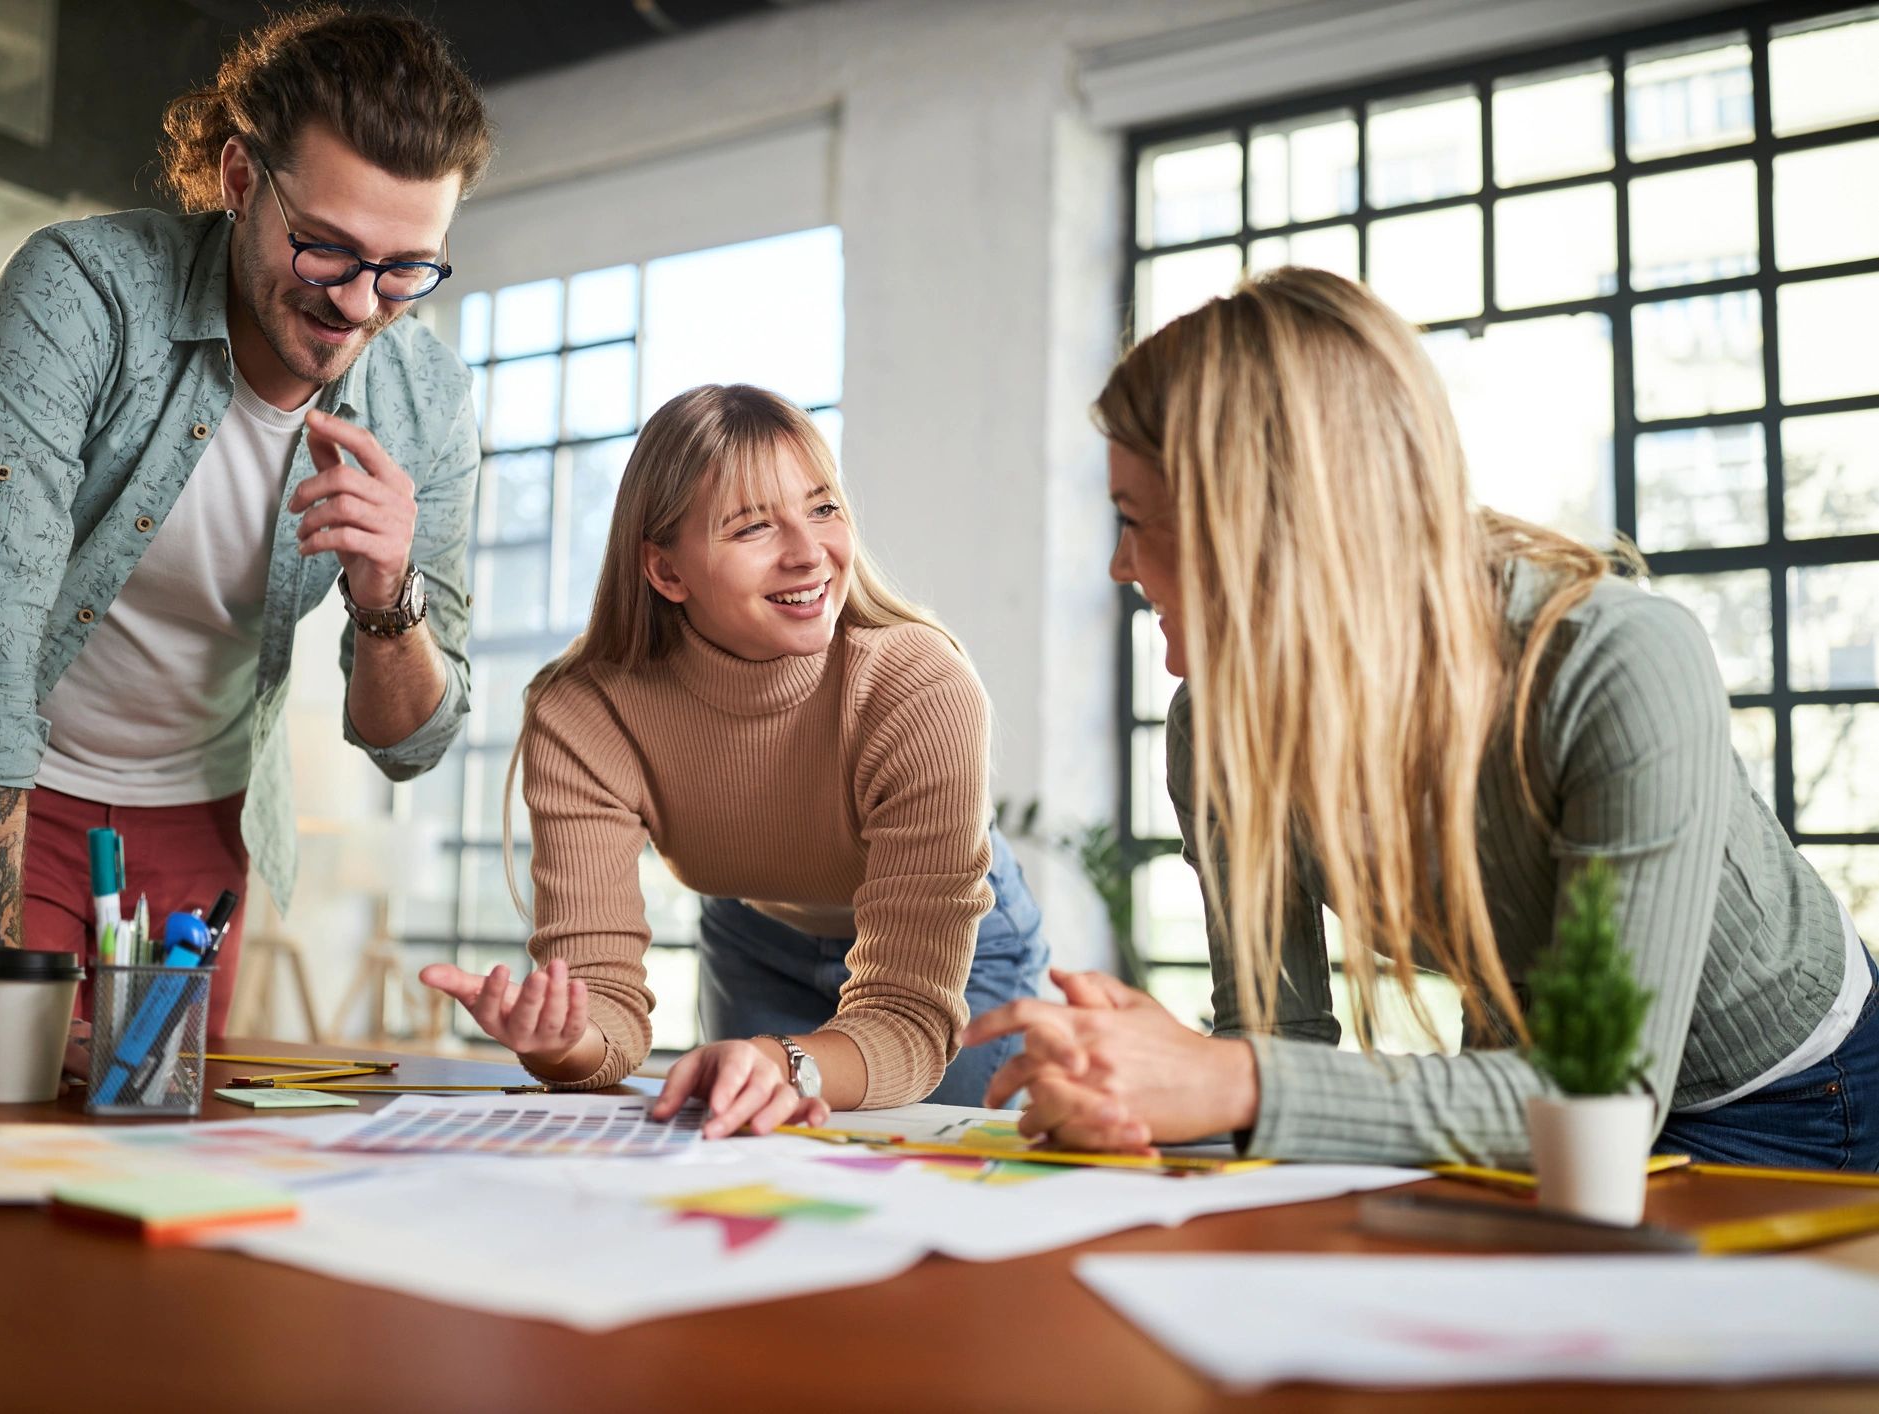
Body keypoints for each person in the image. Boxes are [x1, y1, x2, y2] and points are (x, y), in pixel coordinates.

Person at [965, 267, 1878, 1170]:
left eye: (1133, 520)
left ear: (1256, 523)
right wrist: (1136, 1096)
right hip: (1516, 1091)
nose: (1120, 567)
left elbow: (1599, 1097)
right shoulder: (1211, 726)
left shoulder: (1616, 659)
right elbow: (1272, 1039)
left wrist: (1224, 1080)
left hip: (1781, 1101)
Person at [0, 5, 490, 1057]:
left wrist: (386, 598)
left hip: (203, 825)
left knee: (154, 1129)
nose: (361, 305)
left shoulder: (431, 404)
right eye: (326, 249)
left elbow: (412, 744)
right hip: (3, 795)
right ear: (240, 178)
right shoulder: (81, 297)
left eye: (405, 266)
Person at [419, 384, 1048, 1137]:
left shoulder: (917, 685)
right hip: (756, 935)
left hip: (956, 950)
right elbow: (601, 1006)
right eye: (753, 527)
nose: (808, 553)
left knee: (931, 1165)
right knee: (750, 1155)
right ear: (666, 572)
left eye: (822, 508)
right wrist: (560, 1040)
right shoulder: (585, 712)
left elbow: (906, 1017)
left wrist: (783, 1061)